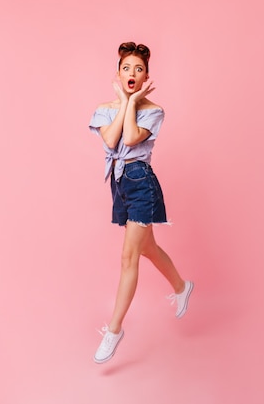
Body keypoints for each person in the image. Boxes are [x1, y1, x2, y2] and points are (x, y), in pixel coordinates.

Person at [88, 42, 194, 364]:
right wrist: (124, 101)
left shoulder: (154, 111)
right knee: (147, 249)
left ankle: (115, 329)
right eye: (126, 68)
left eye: (138, 69)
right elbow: (109, 140)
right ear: (118, 73)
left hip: (141, 184)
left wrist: (132, 102)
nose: (132, 73)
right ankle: (182, 286)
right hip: (120, 186)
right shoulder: (106, 108)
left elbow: (131, 137)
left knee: (128, 256)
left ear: (147, 75)